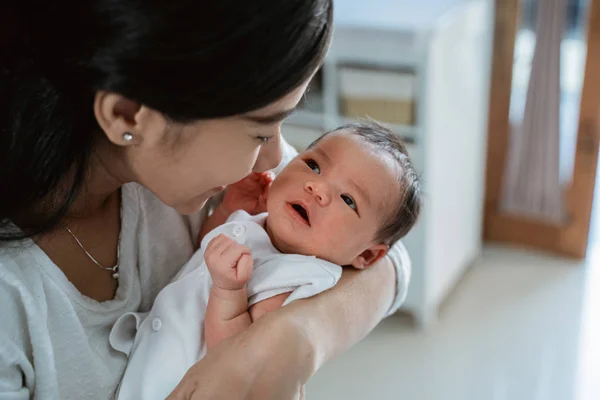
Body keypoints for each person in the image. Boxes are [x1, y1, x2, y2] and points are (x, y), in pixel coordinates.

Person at [0, 1, 413, 399]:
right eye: (260, 132)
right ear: (127, 115)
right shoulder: (14, 303)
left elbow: (392, 256)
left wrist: (299, 337)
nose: (276, 158)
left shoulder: (203, 171)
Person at [109, 122, 422, 399]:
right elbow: (205, 253)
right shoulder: (261, 221)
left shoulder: (300, 281)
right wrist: (227, 210)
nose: (317, 188)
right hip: (149, 368)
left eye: (348, 199)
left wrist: (229, 292)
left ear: (366, 255)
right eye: (314, 165)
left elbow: (239, 360)